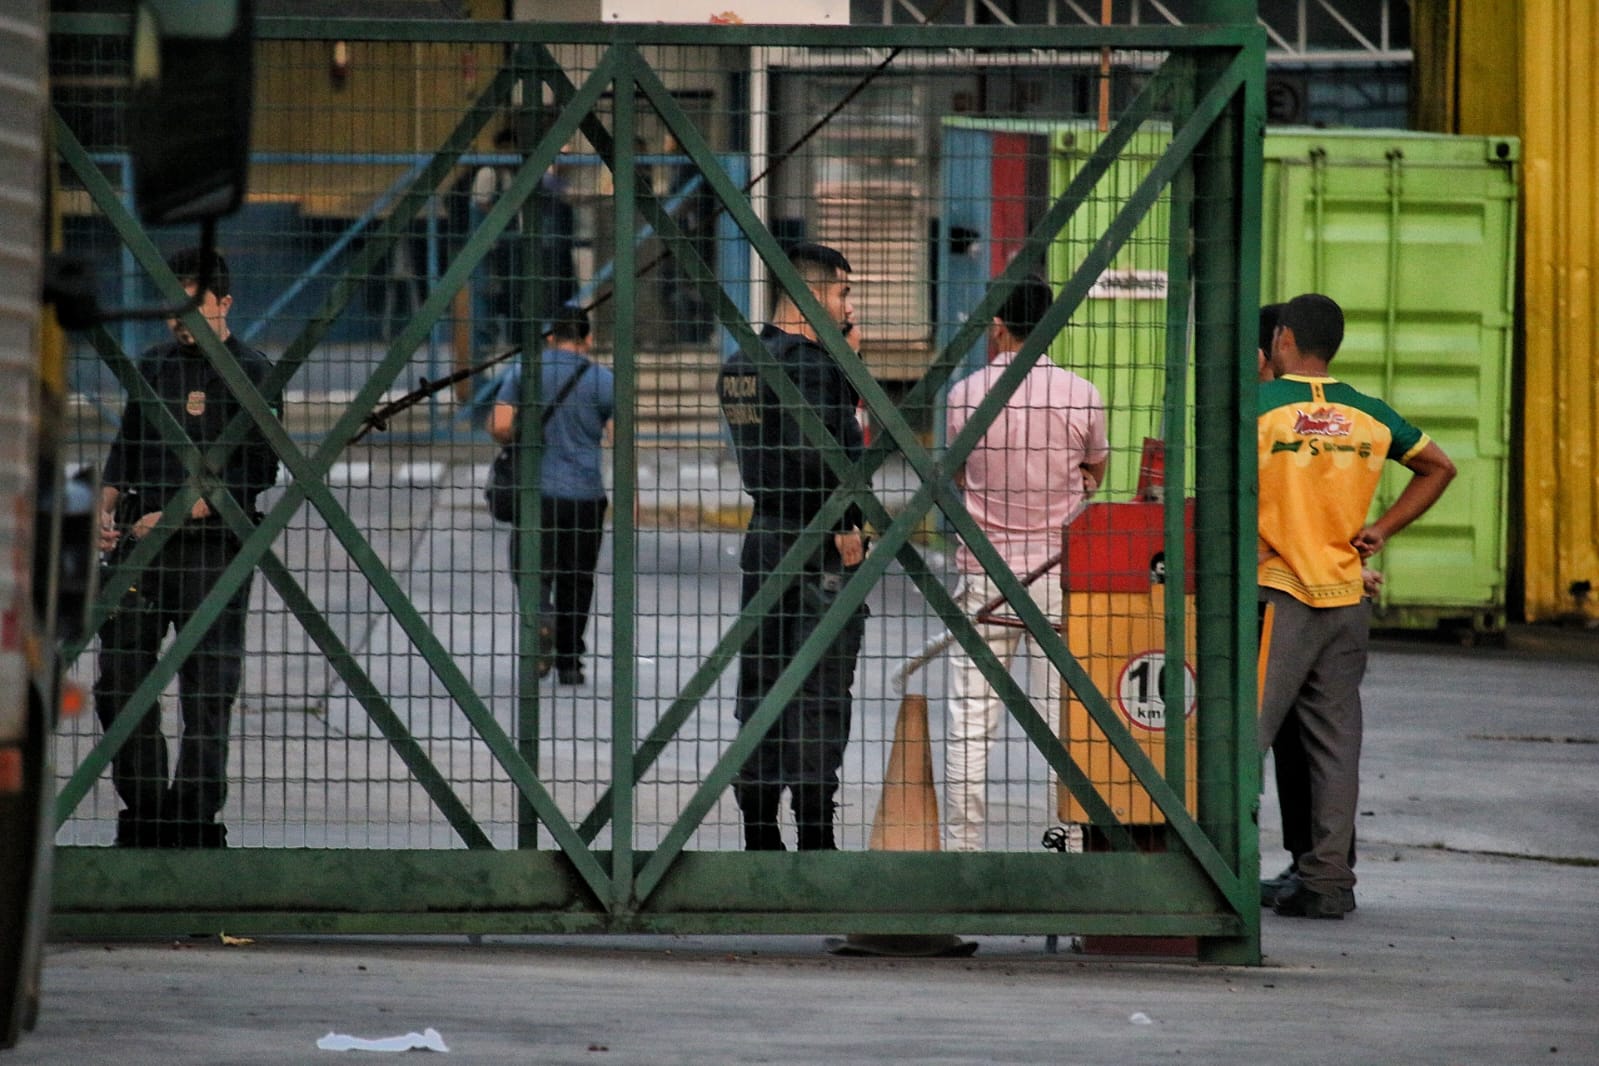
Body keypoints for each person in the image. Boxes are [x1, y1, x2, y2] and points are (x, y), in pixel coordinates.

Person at [1256, 293, 1456, 918]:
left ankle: (1222, 872)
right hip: (1346, 595)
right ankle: (1327, 882)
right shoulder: (1369, 415)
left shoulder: (1255, 408)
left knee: (1242, 737)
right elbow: (1438, 467)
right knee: (1335, 744)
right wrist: (1381, 530)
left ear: (1283, 338)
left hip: (1279, 593)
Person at [94, 247, 281, 848]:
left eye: (194, 307)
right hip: (139, 549)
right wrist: (105, 506)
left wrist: (172, 515)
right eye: (174, 308)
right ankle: (147, 806)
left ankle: (193, 816)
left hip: (211, 551)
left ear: (225, 304)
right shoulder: (152, 366)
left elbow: (256, 468)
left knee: (207, 687)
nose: (180, 320)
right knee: (120, 678)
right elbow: (127, 444)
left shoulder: (251, 371)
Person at [941, 276, 1108, 852]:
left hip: (985, 573)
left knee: (970, 719)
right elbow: (1095, 469)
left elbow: (959, 474)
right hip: (1056, 576)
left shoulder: (964, 395)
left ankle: (962, 848)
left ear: (997, 326)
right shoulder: (1081, 393)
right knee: (1063, 719)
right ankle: (1068, 841)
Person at [716, 242, 869, 851]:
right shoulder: (812, 366)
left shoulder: (740, 363)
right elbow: (826, 456)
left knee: (762, 682)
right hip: (816, 541)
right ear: (811, 293)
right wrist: (847, 523)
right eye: (842, 291)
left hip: (766, 537)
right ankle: (815, 832)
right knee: (820, 688)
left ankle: (758, 826)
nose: (847, 304)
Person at [489, 305, 615, 687]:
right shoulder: (603, 379)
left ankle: (542, 616)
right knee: (578, 578)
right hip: (586, 494)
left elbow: (500, 425)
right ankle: (569, 662)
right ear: (588, 339)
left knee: (532, 568)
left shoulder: (525, 372)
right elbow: (618, 435)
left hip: (537, 493)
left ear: (548, 337)